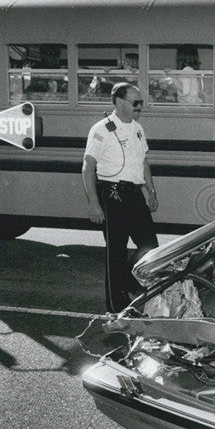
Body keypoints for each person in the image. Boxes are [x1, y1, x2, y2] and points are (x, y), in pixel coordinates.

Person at [82, 82, 159, 312]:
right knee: (115, 252)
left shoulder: (137, 128)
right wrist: (94, 204)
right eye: (135, 103)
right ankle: (116, 306)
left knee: (150, 246)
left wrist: (151, 191)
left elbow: (143, 162)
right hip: (112, 194)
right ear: (118, 102)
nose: (139, 107)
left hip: (135, 194)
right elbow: (88, 167)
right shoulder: (101, 129)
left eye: (140, 103)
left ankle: (126, 282)